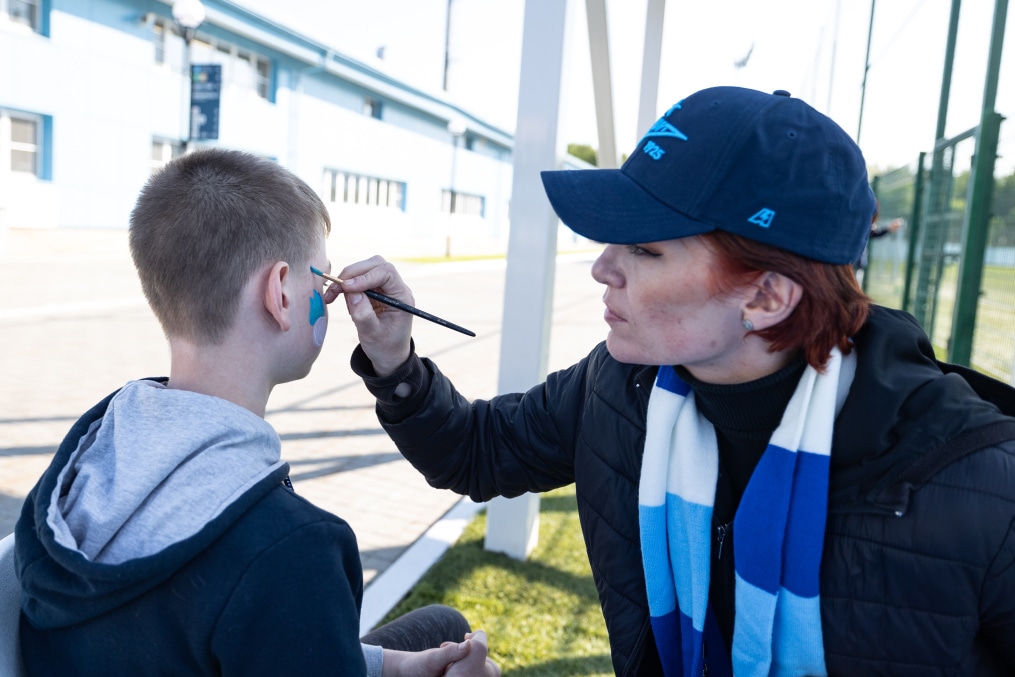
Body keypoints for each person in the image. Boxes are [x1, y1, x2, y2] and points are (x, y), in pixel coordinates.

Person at [337, 87, 1015, 675]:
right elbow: (476, 450)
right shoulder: (622, 384)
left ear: (766, 298)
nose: (604, 267)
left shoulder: (979, 482)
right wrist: (395, 360)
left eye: (644, 247)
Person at [14, 149, 499, 676]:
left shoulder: (82, 459)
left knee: (436, 630)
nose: (330, 297)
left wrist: (393, 667)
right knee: (450, 624)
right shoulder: (293, 549)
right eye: (323, 281)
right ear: (281, 295)